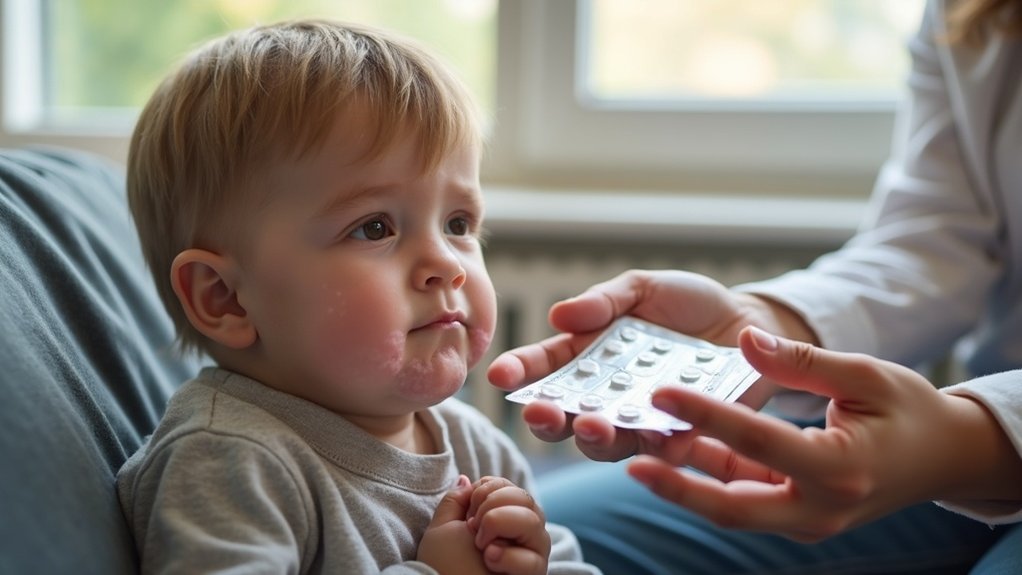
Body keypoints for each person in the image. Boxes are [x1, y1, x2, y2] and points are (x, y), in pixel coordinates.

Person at [488, 0, 1022, 573]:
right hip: (948, 442)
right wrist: (756, 325)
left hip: (968, 436)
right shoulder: (970, 13)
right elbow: (934, 241)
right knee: (545, 537)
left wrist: (965, 442)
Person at [116, 19, 599, 575]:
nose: (446, 263)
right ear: (225, 298)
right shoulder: (226, 460)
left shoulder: (476, 444)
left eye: (459, 222)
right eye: (375, 228)